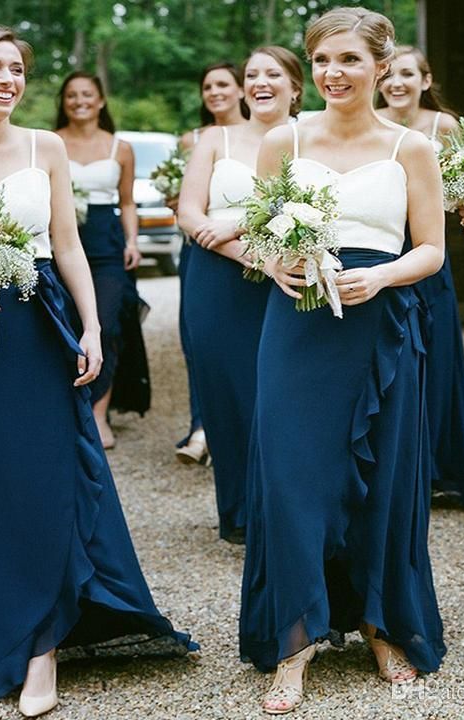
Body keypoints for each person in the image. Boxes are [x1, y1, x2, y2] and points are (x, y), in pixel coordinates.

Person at [0, 26, 195, 715]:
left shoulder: (48, 147)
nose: (8, 79)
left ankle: (42, 647)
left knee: (45, 483)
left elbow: (68, 246)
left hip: (42, 331)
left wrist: (93, 327)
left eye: (16, 68)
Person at [238, 9, 446, 714]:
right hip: (297, 328)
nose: (334, 73)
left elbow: (432, 249)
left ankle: (378, 623)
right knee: (292, 478)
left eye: (351, 60)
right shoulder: (281, 139)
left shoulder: (410, 147)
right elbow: (257, 238)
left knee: (383, 480)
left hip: (380, 328)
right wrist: (277, 264)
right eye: (323, 59)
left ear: (380, 68)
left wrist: (382, 277)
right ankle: (294, 641)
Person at [177, 47, 303, 544]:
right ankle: (240, 511)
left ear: (296, 87)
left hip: (287, 279)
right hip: (217, 281)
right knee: (226, 393)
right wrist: (237, 249)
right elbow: (190, 211)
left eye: (274, 74)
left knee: (277, 394)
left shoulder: (307, 139)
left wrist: (233, 229)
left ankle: (284, 509)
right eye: (252, 75)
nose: (260, 83)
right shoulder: (215, 137)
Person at [377, 45, 464, 511]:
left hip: (426, 253)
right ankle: (397, 464)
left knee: (437, 361)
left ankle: (441, 470)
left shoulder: (442, 127)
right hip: (381, 250)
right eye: (391, 74)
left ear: (425, 81)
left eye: (408, 74)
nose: (397, 83)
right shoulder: (370, 122)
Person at [55, 71, 147, 450]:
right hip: (61, 237)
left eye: (87, 94)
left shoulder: (120, 148)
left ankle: (98, 412)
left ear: (101, 100)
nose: (80, 101)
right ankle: (66, 409)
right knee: (66, 323)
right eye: (72, 95)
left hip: (106, 243)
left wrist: (132, 240)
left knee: (105, 324)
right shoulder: (50, 143)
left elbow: (127, 202)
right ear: (63, 101)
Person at [176, 63, 248, 465]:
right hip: (204, 245)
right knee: (200, 344)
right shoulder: (195, 139)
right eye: (208, 86)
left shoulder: (277, 137)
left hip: (264, 250)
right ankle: (203, 427)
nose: (214, 92)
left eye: (223, 84)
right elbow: (189, 202)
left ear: (240, 90)